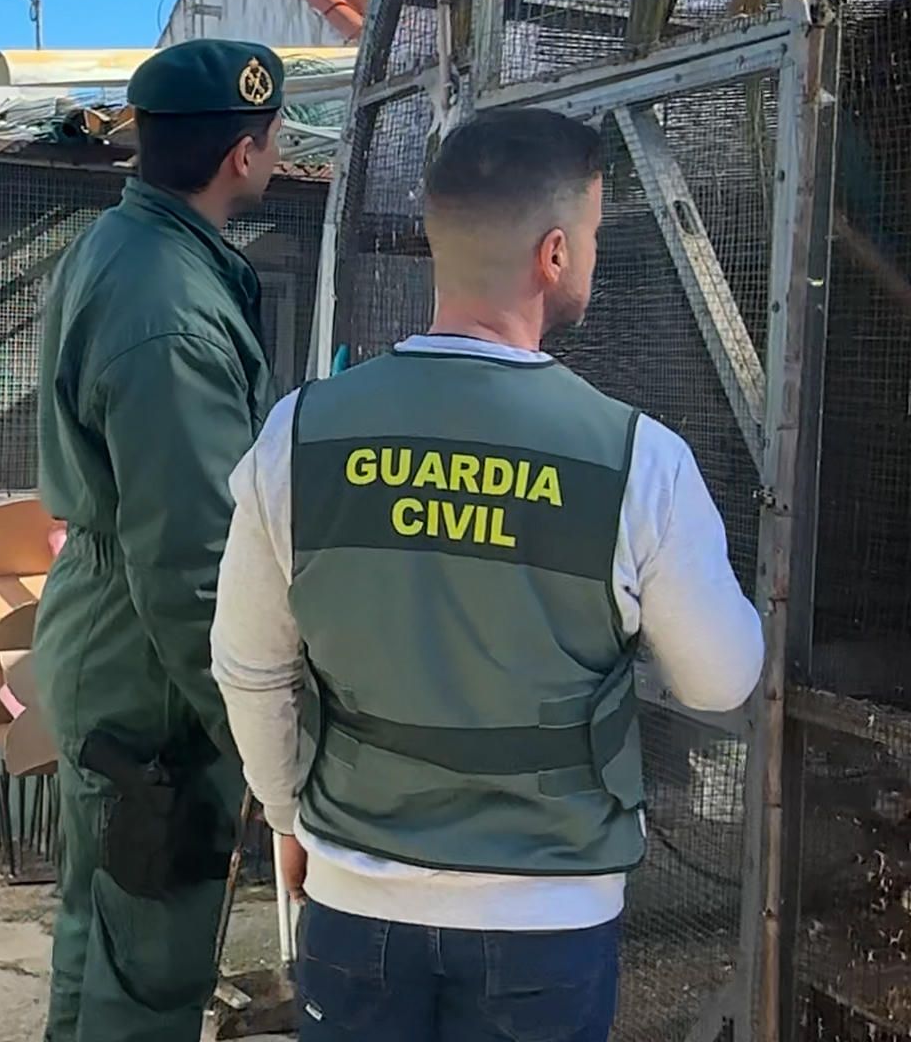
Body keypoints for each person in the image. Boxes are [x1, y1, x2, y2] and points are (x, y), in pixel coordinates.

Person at [211, 107, 766, 1040]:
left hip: (359, 898)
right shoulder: (640, 461)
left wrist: (286, 815)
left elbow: (249, 666)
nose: (590, 256)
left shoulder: (298, 437)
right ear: (554, 253)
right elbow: (722, 680)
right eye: (591, 235)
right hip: (547, 923)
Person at [34, 38, 285, 1042]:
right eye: (269, 139)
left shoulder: (129, 243)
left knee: (100, 929)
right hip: (149, 667)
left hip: (105, 633)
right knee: (151, 964)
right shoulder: (171, 311)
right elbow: (188, 561)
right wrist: (256, 736)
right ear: (242, 155)